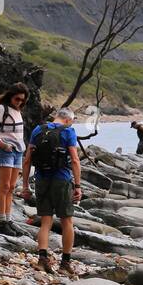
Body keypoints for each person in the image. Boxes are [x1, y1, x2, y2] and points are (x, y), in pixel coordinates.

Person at [20, 108, 82, 276]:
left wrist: (25, 186)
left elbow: (27, 160)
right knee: (67, 221)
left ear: (56, 117)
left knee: (46, 222)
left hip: (41, 179)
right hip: (61, 180)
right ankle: (65, 263)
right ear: (69, 120)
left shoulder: (38, 130)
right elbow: (75, 160)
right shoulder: (69, 131)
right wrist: (77, 186)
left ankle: (42, 260)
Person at [0, 83, 29, 236]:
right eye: (17, 99)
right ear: (11, 96)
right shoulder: (1, 109)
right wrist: (3, 145)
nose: (19, 102)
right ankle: (2, 221)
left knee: (11, 187)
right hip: (6, 151)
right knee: (4, 186)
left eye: (22, 100)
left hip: (18, 151)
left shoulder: (17, 111)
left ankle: (9, 220)